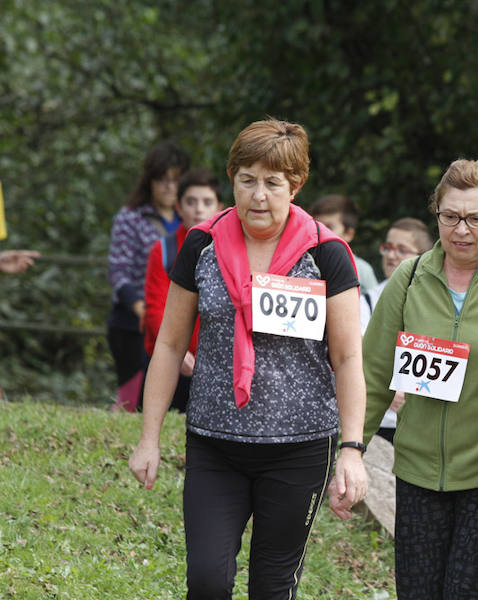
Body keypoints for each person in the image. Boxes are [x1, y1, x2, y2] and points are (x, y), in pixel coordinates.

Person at [128, 119, 368, 598]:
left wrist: (352, 450)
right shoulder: (202, 244)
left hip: (299, 448)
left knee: (273, 584)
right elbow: (171, 345)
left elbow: (346, 357)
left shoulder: (326, 254)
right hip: (216, 444)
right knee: (208, 580)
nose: (259, 195)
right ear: (231, 179)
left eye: (273, 183)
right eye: (247, 180)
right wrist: (148, 438)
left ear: (295, 186)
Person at [362, 158, 478, 598]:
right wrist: (350, 450)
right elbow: (372, 375)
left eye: (475, 219)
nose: (461, 230)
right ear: (437, 215)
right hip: (416, 471)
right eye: (450, 217)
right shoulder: (408, 279)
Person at [107, 141, 190, 412]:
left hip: (178, 319)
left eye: (175, 180)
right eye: (162, 180)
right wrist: (142, 310)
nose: (168, 187)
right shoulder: (131, 218)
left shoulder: (192, 221)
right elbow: (119, 272)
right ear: (150, 181)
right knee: (133, 396)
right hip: (134, 320)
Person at [142, 168, 224, 413]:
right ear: (178, 208)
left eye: (207, 202)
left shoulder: (231, 251)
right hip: (170, 356)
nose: (199, 209)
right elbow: (156, 307)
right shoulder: (164, 250)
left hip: (214, 362)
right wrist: (179, 350)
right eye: (191, 202)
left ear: (220, 208)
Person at [360, 217, 433, 443]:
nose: (391, 256)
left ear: (422, 256)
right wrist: (390, 389)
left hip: (421, 424)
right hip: (377, 422)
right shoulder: (366, 301)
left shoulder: (437, 304)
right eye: (388, 248)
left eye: (401, 250)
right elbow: (359, 357)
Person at [308, 194, 379, 293]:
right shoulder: (303, 264)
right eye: (316, 226)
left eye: (329, 228)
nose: (320, 232)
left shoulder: (363, 270)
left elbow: (373, 305)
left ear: (349, 234)